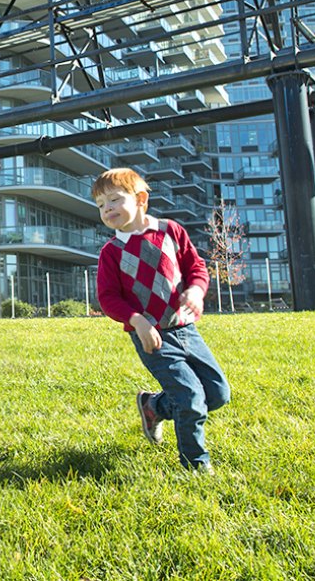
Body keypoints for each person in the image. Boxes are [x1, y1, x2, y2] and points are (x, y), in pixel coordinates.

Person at [91, 167, 230, 474]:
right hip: (151, 337)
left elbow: (196, 267)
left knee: (218, 394)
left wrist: (196, 290)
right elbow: (108, 297)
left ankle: (153, 407)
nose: (108, 208)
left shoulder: (171, 231)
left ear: (141, 199)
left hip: (186, 329)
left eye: (114, 199)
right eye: (101, 205)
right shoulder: (111, 252)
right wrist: (137, 321)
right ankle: (196, 465)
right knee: (190, 397)